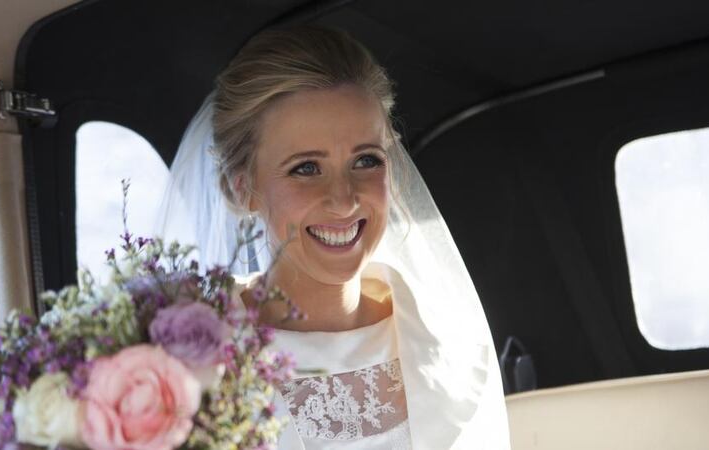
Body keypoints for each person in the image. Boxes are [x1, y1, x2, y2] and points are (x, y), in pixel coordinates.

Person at [155, 25, 510, 449]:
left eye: (366, 160)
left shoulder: (453, 342)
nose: (344, 201)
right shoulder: (182, 365)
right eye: (306, 168)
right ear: (241, 189)